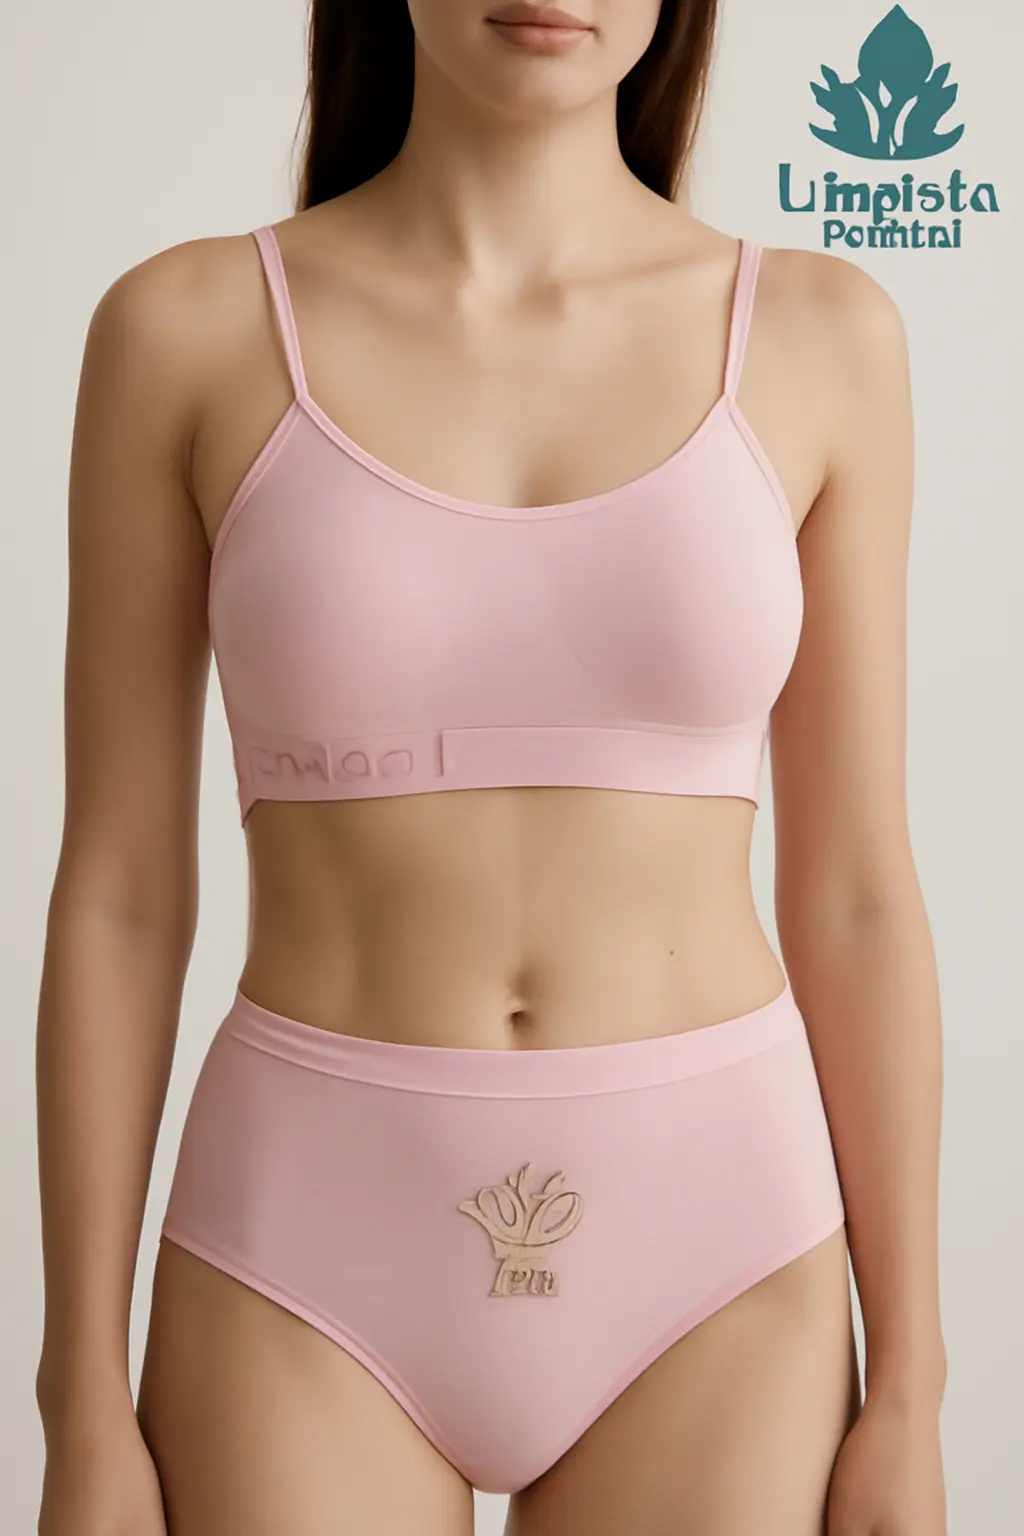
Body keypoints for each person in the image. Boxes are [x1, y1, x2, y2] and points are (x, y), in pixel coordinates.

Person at [34, 2, 948, 1533]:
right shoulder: (185, 331)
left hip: (721, 1251)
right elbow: (118, 896)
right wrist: (78, 1405)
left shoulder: (821, 336)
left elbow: (857, 892)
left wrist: (913, 1382)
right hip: (301, 1247)